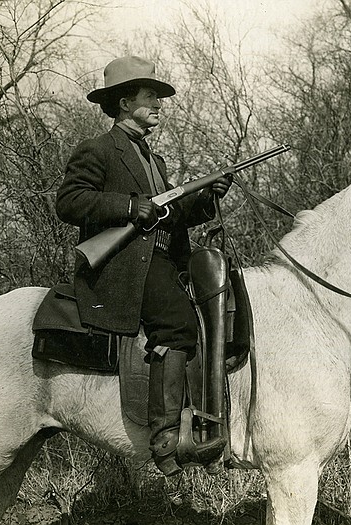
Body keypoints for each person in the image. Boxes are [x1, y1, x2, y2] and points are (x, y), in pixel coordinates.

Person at [55, 56, 231, 475]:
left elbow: (171, 213)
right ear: (122, 101)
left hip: (162, 259)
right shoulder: (98, 150)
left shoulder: (154, 160)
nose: (158, 104)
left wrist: (208, 196)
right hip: (125, 266)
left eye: (157, 96)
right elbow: (69, 201)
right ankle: (166, 437)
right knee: (177, 325)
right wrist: (130, 206)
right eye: (150, 96)